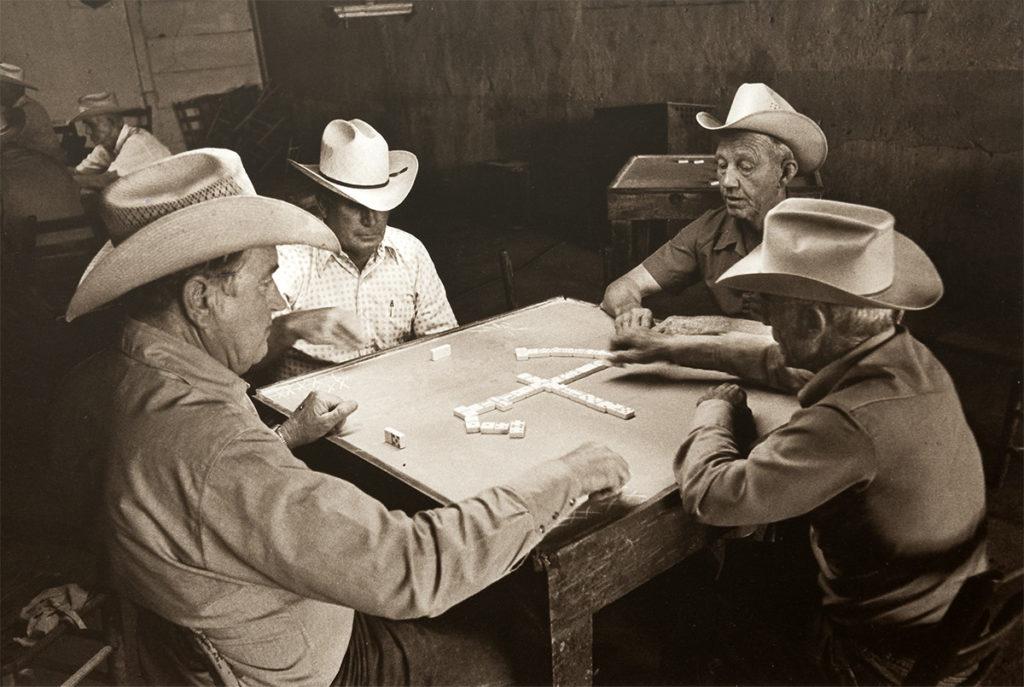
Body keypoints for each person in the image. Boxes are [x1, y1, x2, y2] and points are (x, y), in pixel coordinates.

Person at [63, 148, 630, 686]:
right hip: (305, 664)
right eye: (265, 281)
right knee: (505, 653)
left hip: (222, 624)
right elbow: (413, 566)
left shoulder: (116, 375)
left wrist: (284, 436)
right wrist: (568, 474)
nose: (280, 304)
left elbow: (205, 493)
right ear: (202, 298)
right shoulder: (217, 445)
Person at [614, 198, 987, 684]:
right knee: (769, 562)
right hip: (946, 614)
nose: (766, 319)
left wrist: (715, 412)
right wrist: (670, 347)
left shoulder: (848, 422)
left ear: (813, 324)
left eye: (772, 307)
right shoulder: (903, 354)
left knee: (694, 596)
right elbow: (783, 362)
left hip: (880, 661)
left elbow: (713, 495)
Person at [601, 82, 827, 331]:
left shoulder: (817, 237)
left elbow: (815, 338)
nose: (728, 182)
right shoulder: (710, 230)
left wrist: (719, 326)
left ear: (785, 173)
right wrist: (628, 309)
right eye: (722, 165)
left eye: (745, 166)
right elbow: (623, 286)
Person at [266, 118, 458, 380]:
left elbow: (442, 340)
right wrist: (288, 328)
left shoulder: (409, 251)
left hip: (399, 391)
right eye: (355, 206)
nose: (371, 220)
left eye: (380, 206)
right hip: (315, 408)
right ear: (323, 206)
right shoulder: (289, 260)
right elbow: (247, 361)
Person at [70, 91, 170, 190]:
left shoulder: (136, 141)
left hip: (171, 197)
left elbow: (107, 181)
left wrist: (70, 180)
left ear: (112, 122)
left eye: (91, 125)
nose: (87, 132)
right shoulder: (107, 146)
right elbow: (77, 172)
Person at [0, 62, 62, 161]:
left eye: (1, 88)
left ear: (13, 89)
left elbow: (4, 140)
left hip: (42, 167)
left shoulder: (24, 111)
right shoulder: (26, 106)